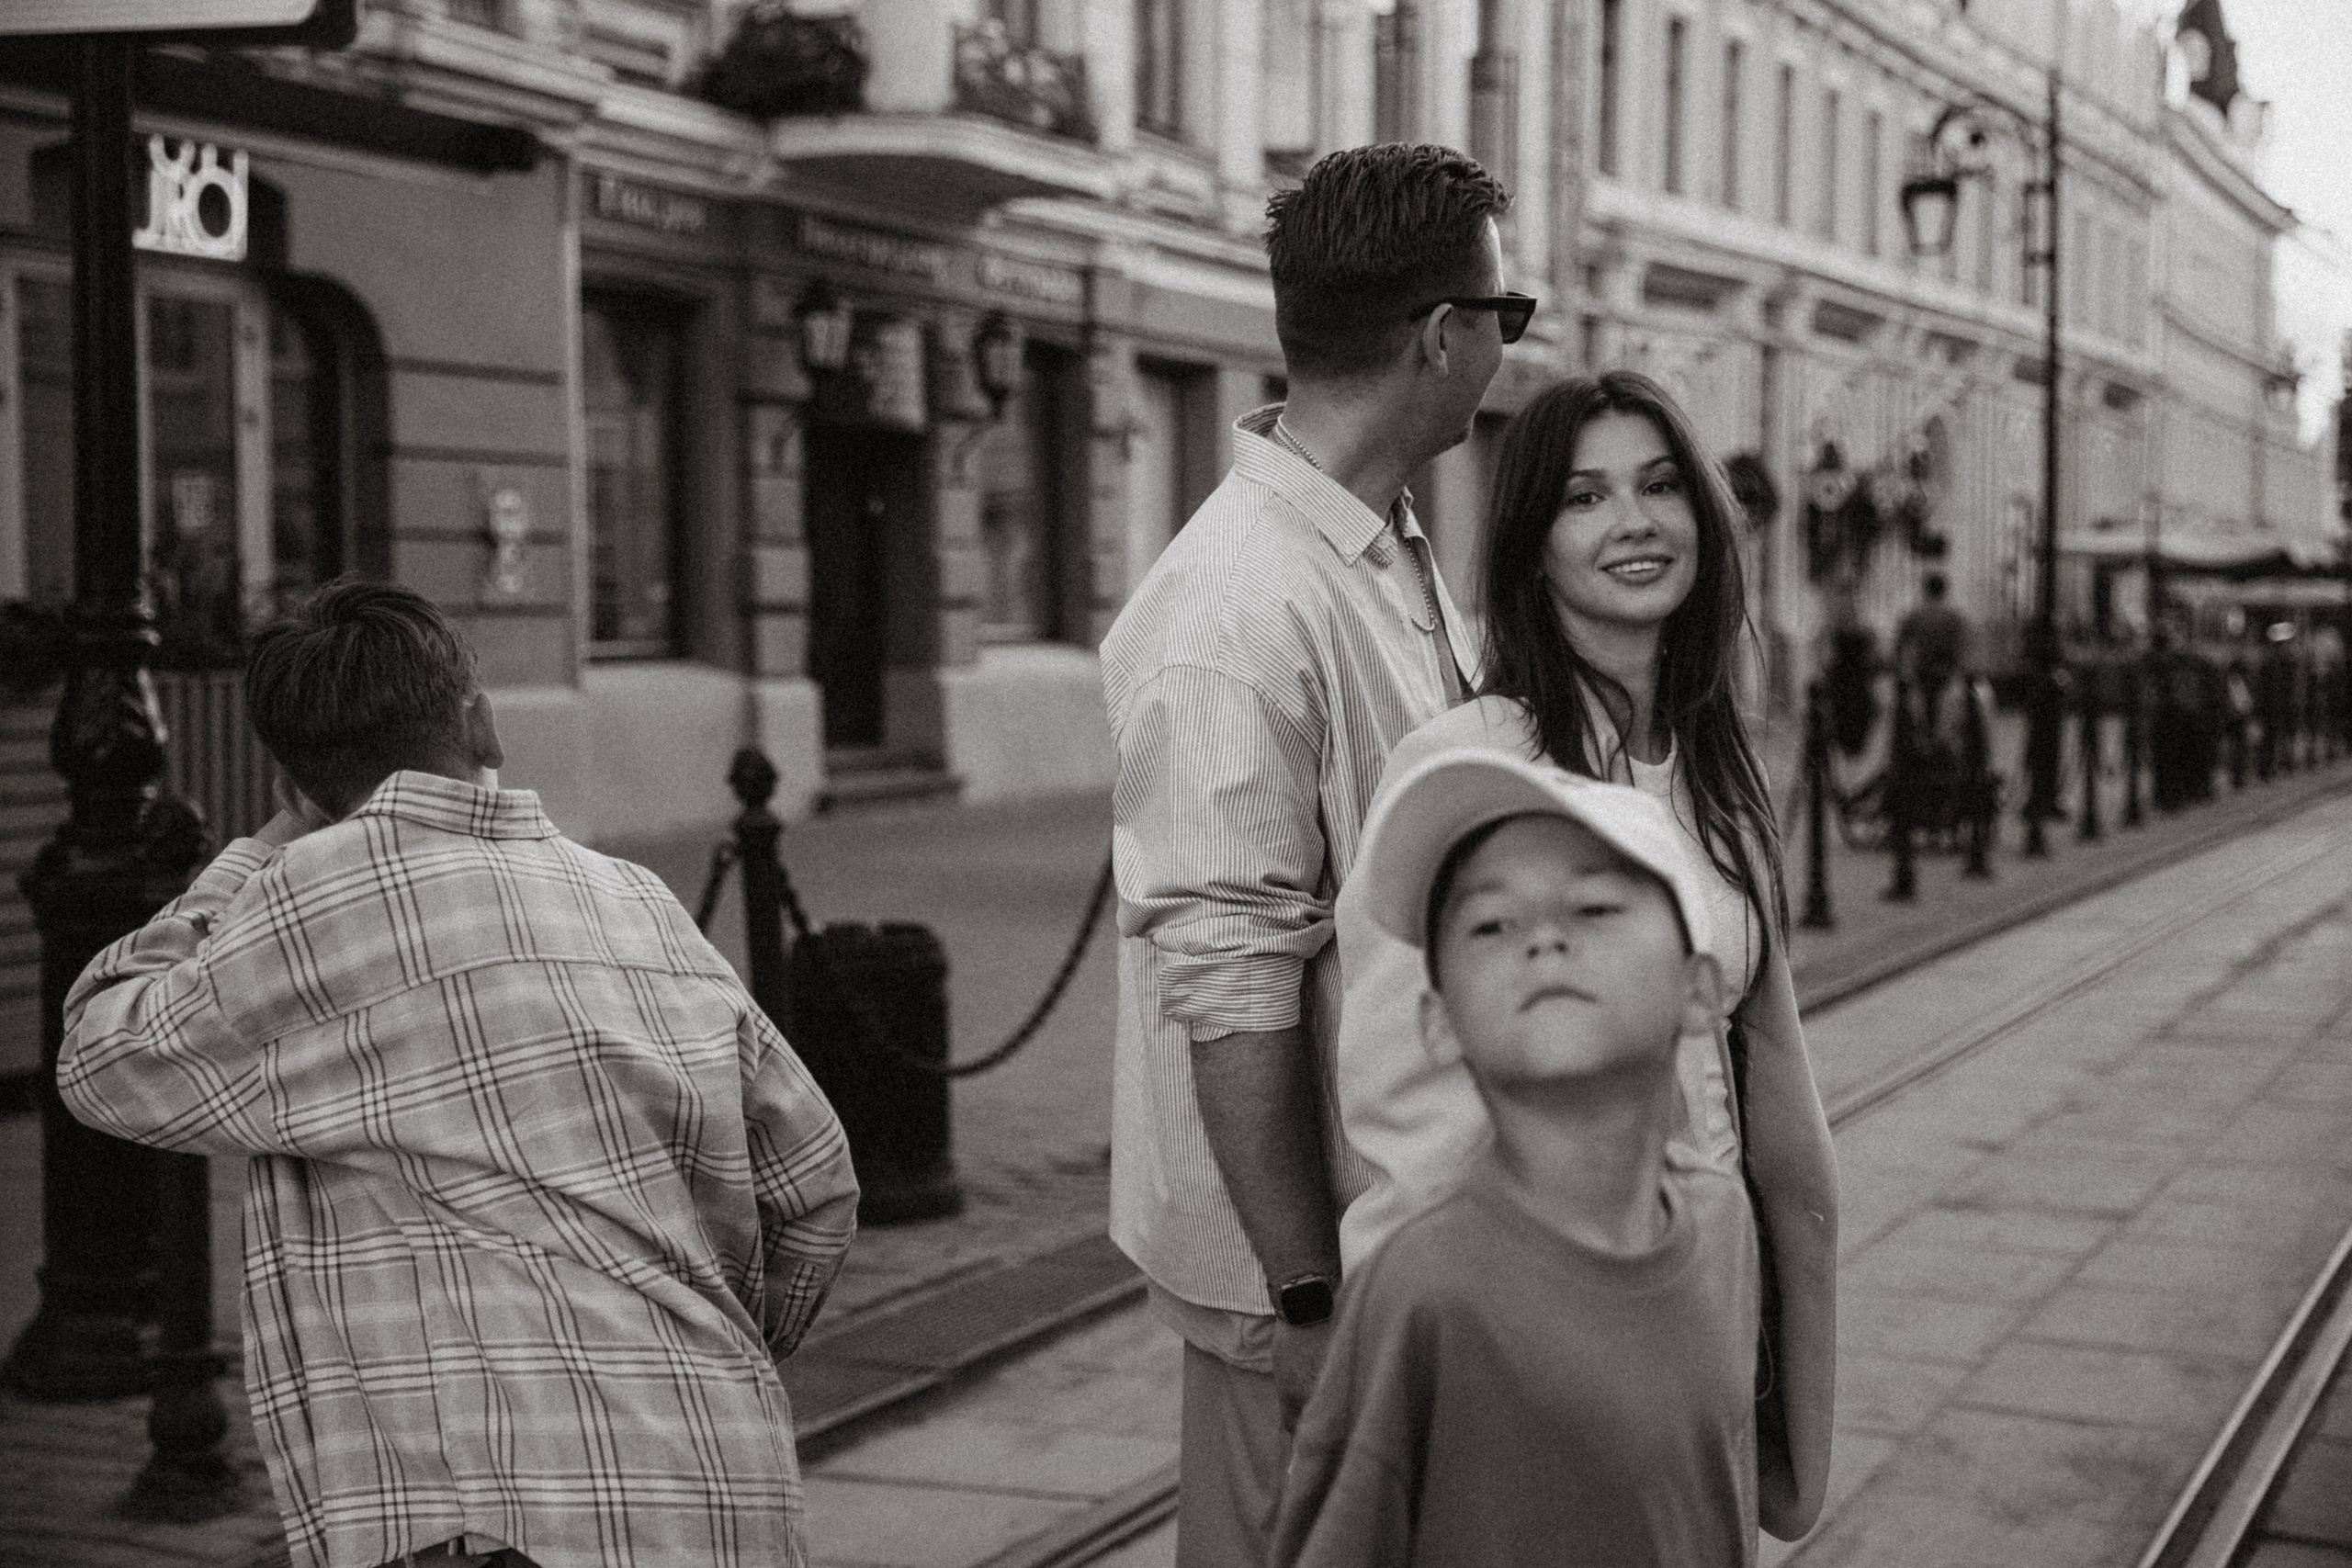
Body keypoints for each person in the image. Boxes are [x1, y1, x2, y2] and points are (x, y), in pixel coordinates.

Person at [55, 581, 860, 1568]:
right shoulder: (634, 896)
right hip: (717, 1476)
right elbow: (814, 1182)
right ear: (481, 723)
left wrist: (251, 858)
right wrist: (710, 1340)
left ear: (295, 780)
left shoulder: (308, 900)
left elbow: (100, 1052)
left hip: (500, 1515)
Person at [1099, 142, 1522, 1565]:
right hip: (1302, 1274)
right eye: (1507, 316)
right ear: (1441, 335)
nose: (1510, 347)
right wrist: (1303, 1295)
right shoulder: (1237, 605)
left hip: (1394, 1225)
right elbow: (1229, 981)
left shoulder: (1381, 546)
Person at [1331, 370, 1836, 1539]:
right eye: (1584, 497)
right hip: (1541, 1350)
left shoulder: (1717, 773)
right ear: (1532, 548)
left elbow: (1775, 1096)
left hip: (1700, 1314)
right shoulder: (1474, 769)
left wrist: (1794, 1387)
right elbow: (1405, 1117)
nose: (1633, 523)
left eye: (1659, 487)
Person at [1275, 752, 1757, 1567]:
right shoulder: (1424, 1293)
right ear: (1439, 1023)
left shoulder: (1721, 1220)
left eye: (1595, 905)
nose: (1544, 938)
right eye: (1491, 924)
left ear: (1700, 990)